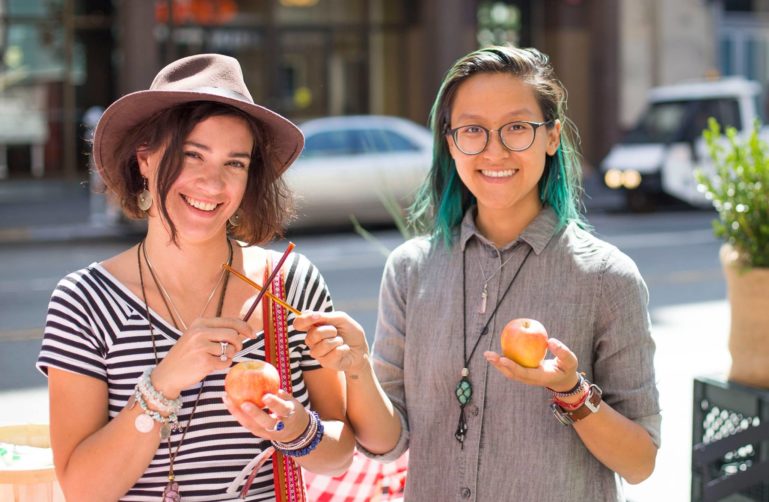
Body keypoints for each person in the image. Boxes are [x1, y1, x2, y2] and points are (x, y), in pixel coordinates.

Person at [295, 45, 660, 501]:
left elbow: (640, 462)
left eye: (517, 128)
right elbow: (388, 444)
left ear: (552, 137)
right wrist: (357, 368)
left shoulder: (607, 277)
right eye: (473, 130)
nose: (494, 150)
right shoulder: (410, 270)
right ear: (450, 142)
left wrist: (571, 390)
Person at [37, 54, 355, 501]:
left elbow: (341, 452)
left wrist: (293, 428)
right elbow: (83, 491)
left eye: (235, 163)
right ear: (144, 160)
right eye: (193, 155)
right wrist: (163, 382)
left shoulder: (289, 284)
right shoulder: (83, 302)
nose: (213, 183)